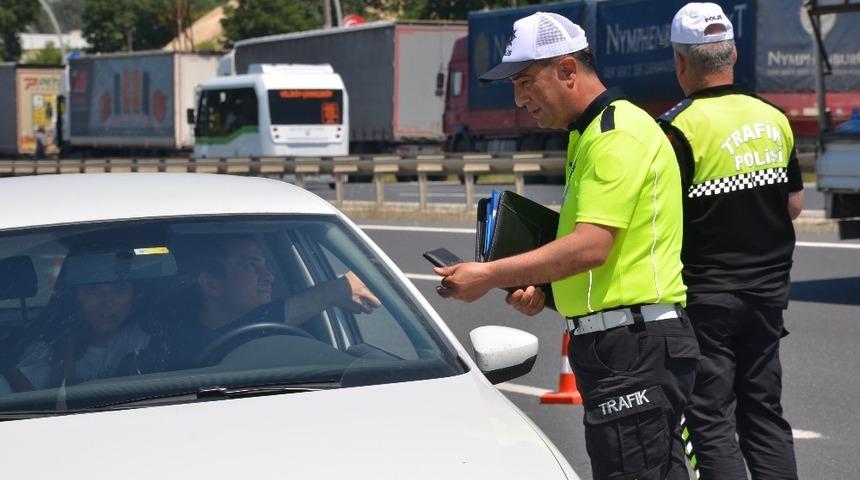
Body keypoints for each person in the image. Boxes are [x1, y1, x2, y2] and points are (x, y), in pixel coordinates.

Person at [433, 12, 698, 480]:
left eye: (526, 81)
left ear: (568, 70)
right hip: (621, 342)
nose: (519, 99)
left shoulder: (615, 135)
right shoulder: (589, 133)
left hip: (632, 346)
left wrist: (489, 275)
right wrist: (546, 290)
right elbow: (606, 256)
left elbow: (590, 247)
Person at [658, 3, 803, 479]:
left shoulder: (676, 127)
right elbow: (794, 204)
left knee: (711, 419)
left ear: (681, 62)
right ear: (733, 54)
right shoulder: (773, 117)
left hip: (706, 297)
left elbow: (661, 216)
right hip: (768, 293)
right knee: (763, 413)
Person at [133, 235, 381, 371]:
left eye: (266, 265)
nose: (269, 276)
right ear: (211, 285)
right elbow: (218, 342)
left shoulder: (298, 340)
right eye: (250, 266)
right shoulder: (175, 341)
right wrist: (328, 293)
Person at [0, 277, 149, 392]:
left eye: (119, 288)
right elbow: (23, 397)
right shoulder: (48, 352)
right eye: (93, 289)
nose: (108, 302)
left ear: (135, 294)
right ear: (74, 298)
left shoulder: (148, 335)